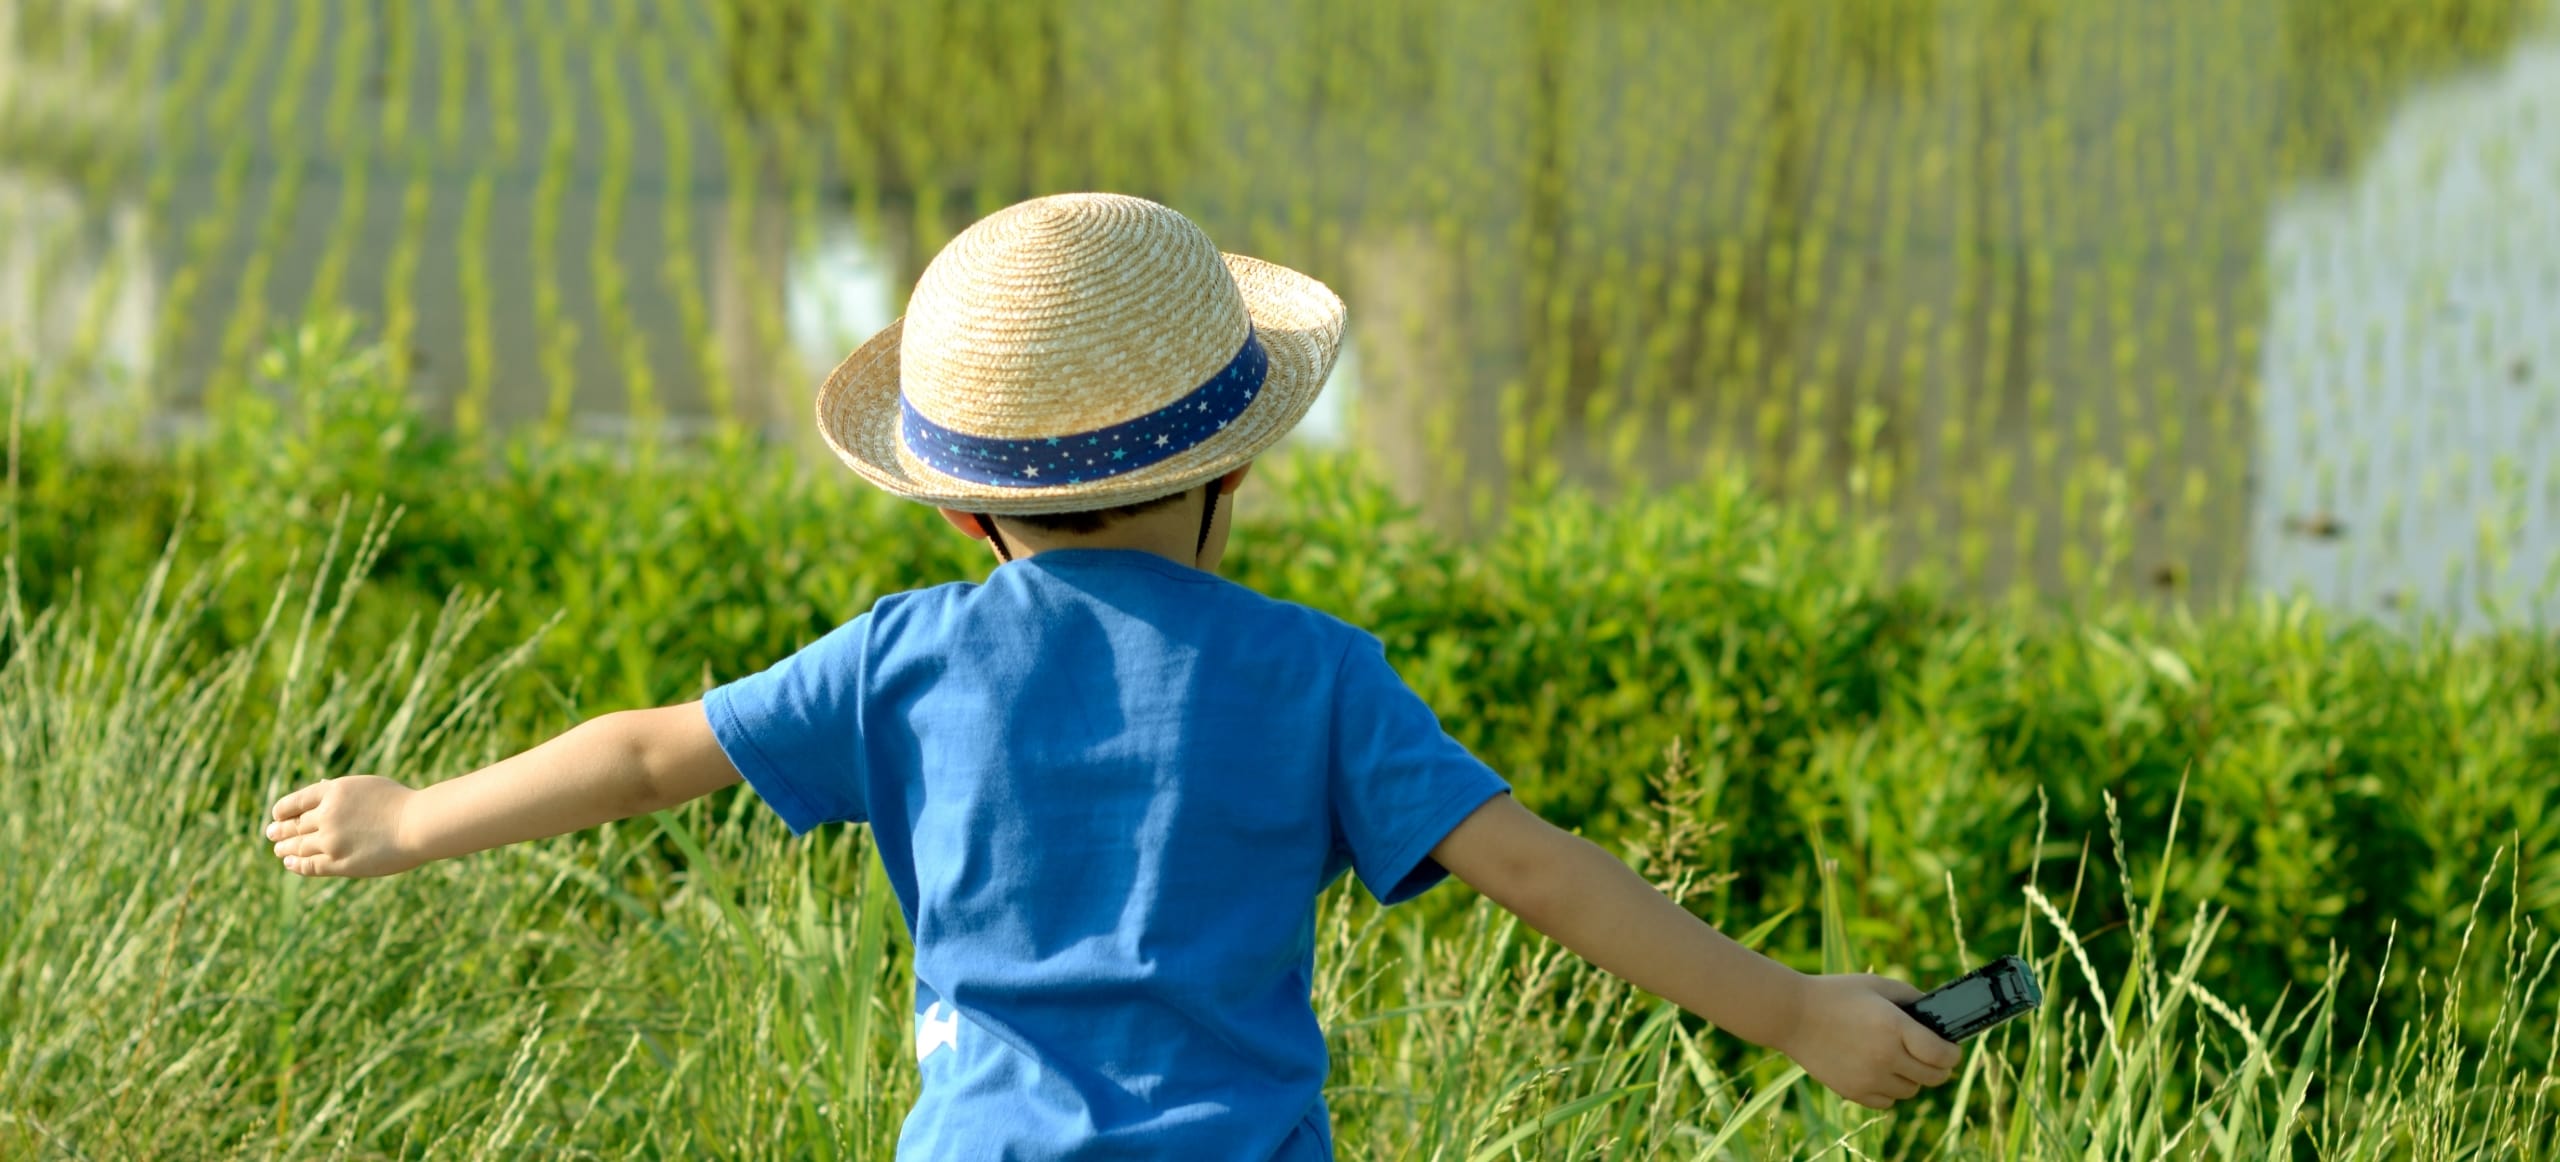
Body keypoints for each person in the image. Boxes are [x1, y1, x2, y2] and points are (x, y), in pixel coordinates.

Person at [261, 192, 1960, 1158]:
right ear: (1238, 470)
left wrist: (413, 816)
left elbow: (641, 755)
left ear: (954, 501)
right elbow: (1543, 873)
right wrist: (1801, 1010)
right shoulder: (1314, 676)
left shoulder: (906, 660)